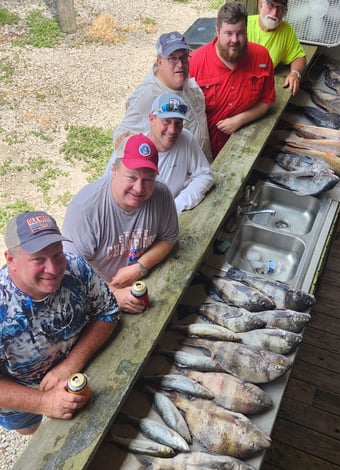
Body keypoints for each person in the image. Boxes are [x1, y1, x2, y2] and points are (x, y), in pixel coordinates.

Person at [0, 211, 120, 435]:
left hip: (79, 371)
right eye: (38, 259)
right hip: (20, 390)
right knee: (29, 430)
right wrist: (43, 402)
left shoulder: (75, 267)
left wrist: (72, 363)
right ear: (11, 259)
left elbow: (108, 311)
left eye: (57, 254)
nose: (54, 270)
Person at [62, 134, 179, 314]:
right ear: (113, 170)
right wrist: (113, 293)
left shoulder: (162, 195)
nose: (139, 188)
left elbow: (169, 238)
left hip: (142, 281)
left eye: (148, 179)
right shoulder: (85, 208)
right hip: (95, 290)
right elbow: (71, 271)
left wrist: (140, 267)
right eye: (131, 177)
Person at [189, 1, 276, 159]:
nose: (235, 40)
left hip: (247, 144)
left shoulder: (262, 57)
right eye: (228, 33)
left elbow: (267, 101)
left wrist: (240, 119)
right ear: (217, 31)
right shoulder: (195, 62)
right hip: (204, 150)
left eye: (240, 33)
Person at [104, 93, 214, 214]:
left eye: (178, 123)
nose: (172, 130)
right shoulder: (130, 147)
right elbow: (104, 189)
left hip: (164, 218)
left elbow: (204, 175)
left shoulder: (186, 139)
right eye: (166, 121)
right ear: (152, 119)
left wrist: (177, 204)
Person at [113, 31, 212, 161]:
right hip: (175, 177)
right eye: (172, 58)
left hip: (202, 169)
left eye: (183, 57)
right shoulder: (148, 94)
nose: (180, 64)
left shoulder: (188, 83)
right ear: (159, 62)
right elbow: (121, 136)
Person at [247, 0, 306, 96]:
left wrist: (295, 73)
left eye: (281, 8)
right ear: (260, 4)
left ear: (285, 12)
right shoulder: (243, 25)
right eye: (271, 5)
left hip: (263, 86)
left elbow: (299, 56)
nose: (274, 13)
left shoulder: (287, 30)